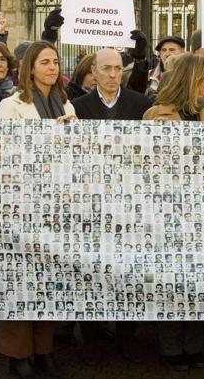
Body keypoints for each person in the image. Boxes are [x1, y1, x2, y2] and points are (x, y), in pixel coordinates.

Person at [0, 40, 75, 378]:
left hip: (58, 206)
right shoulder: (10, 105)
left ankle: (44, 350)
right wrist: (46, 141)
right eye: (44, 62)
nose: (52, 68)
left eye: (55, 62)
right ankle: (18, 356)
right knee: (21, 281)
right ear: (29, 68)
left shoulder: (66, 104)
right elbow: (2, 155)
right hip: (23, 205)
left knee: (50, 281)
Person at [71, 47, 151, 361]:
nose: (113, 75)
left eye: (118, 68)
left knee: (127, 271)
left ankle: (126, 338)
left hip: (131, 202)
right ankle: (92, 340)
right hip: (92, 203)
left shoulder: (142, 104)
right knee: (92, 270)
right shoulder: (77, 106)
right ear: (94, 71)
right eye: (106, 69)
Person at [142, 53, 204, 370]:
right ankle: (171, 348)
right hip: (166, 213)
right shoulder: (155, 114)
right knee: (171, 281)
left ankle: (195, 346)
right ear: (193, 79)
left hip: (203, 212)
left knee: (199, 280)